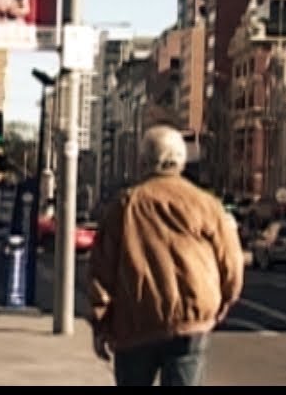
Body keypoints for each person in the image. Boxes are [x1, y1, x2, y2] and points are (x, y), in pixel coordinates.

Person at [88, 124, 244, 386]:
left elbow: (101, 272)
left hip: (135, 321)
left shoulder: (126, 205)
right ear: (181, 161)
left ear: (143, 161)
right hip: (191, 318)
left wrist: (101, 324)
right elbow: (232, 262)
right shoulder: (206, 204)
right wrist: (223, 302)